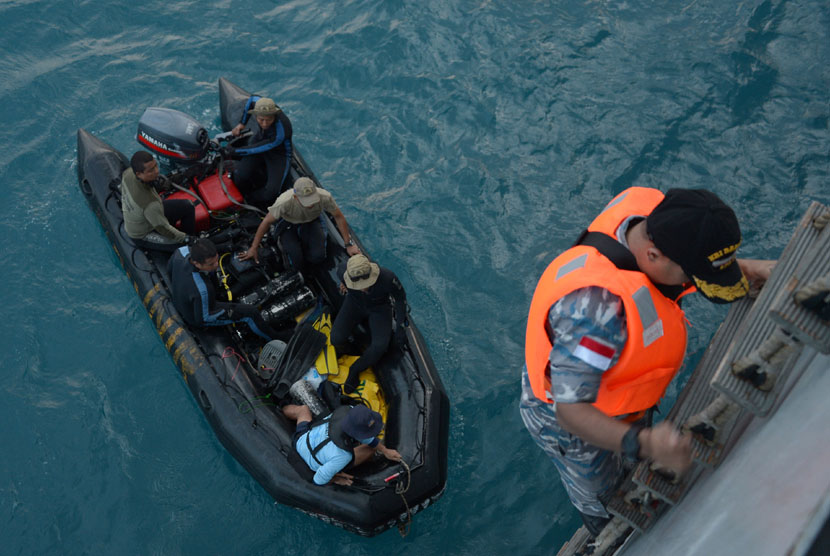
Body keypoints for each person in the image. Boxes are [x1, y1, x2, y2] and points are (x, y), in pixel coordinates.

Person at [519, 187, 775, 537]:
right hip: (571, 413)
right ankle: (605, 527)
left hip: (616, 383)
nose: (692, 284)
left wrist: (744, 271)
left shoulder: (656, 216)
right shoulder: (596, 312)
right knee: (604, 499)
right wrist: (647, 444)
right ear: (653, 255)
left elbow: (681, 265)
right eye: (693, 276)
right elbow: (571, 411)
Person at [167, 238, 281, 341]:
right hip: (195, 315)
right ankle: (274, 337)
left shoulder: (181, 252)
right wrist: (230, 310)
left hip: (183, 295)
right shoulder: (202, 289)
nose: (216, 265)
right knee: (251, 312)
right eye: (211, 264)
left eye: (217, 259)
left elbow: (169, 270)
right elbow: (203, 319)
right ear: (196, 263)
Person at [239, 177, 361, 271]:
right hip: (288, 222)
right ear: (296, 197)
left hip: (312, 220)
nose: (310, 204)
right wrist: (254, 247)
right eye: (306, 201)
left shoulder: (325, 196)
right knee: (296, 259)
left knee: (318, 256)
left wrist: (348, 244)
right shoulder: (284, 201)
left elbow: (338, 216)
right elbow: (266, 221)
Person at [331, 254, 408, 393]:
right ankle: (351, 349)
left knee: (380, 346)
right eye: (358, 285)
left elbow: (400, 299)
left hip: (379, 308)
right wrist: (344, 285)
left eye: (366, 285)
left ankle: (355, 369)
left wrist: (401, 325)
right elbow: (341, 274)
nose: (363, 289)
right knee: (335, 338)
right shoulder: (342, 270)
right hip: (354, 303)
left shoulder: (388, 278)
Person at [284, 403, 401, 486]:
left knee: (303, 409)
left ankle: (282, 408)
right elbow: (318, 479)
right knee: (370, 449)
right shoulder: (343, 456)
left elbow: (362, 434)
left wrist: (385, 451)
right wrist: (335, 479)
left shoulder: (347, 411)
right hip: (311, 461)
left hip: (302, 439)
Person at [223, 96, 293, 208]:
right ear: (256, 115)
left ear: (274, 116)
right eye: (261, 119)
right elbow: (251, 100)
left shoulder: (283, 129)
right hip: (260, 139)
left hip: (279, 153)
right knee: (240, 175)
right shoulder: (256, 102)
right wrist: (242, 123)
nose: (265, 124)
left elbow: (259, 148)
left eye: (269, 120)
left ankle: (251, 201)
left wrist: (235, 151)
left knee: (272, 192)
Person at [121, 151, 195, 251]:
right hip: (143, 233)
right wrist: (187, 239)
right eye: (151, 170)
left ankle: (190, 233)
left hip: (146, 214)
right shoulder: (150, 204)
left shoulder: (128, 173)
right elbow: (164, 229)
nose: (157, 171)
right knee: (184, 247)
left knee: (188, 206)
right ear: (138, 174)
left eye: (156, 166)